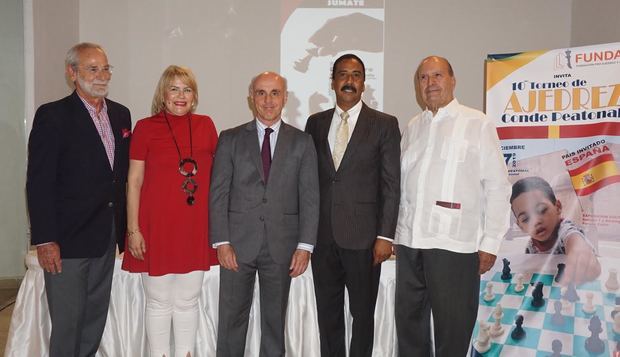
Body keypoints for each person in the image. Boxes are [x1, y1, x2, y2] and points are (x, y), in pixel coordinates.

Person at [394, 56, 511, 356]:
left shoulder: (477, 122)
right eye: (423, 78)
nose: (430, 83)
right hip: (410, 244)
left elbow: (498, 185)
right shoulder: (413, 126)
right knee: (410, 330)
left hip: (455, 246)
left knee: (453, 333)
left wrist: (491, 242)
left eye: (437, 75)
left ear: (452, 80)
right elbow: (403, 186)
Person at [26, 42, 131, 357]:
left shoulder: (120, 114)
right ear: (72, 73)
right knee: (68, 324)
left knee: (94, 321)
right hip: (67, 241)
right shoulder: (53, 115)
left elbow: (121, 176)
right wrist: (45, 239)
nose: (101, 76)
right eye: (92, 68)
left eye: (105, 68)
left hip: (106, 238)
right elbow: (39, 182)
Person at [209, 71, 319, 356]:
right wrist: (221, 241)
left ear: (285, 98)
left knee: (274, 324)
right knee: (232, 322)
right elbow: (218, 193)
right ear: (251, 98)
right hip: (236, 244)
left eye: (274, 93)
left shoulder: (302, 142)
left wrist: (305, 246)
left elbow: (310, 197)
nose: (268, 100)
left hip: (282, 246)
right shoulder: (230, 138)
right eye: (261, 93)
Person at [305, 54, 401, 357]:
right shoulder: (315, 123)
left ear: (364, 82)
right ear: (333, 82)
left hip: (364, 239)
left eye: (356, 75)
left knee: (362, 317)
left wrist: (385, 237)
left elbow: (391, 184)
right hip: (323, 238)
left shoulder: (384, 124)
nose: (349, 81)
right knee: (328, 316)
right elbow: (308, 183)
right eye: (343, 75)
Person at [121, 65, 218, 357]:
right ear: (163, 94)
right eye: (174, 88)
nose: (181, 95)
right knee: (159, 301)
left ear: (195, 96)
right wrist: (133, 229)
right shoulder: (145, 127)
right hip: (155, 227)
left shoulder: (205, 125)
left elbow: (220, 179)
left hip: (195, 226)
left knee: (189, 300)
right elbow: (134, 182)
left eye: (187, 89)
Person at [510, 176, 601, 283]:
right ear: (521, 227)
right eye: (526, 219)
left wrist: (578, 248)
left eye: (542, 210)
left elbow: (573, 237)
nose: (536, 221)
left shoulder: (565, 230)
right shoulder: (531, 247)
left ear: (557, 207)